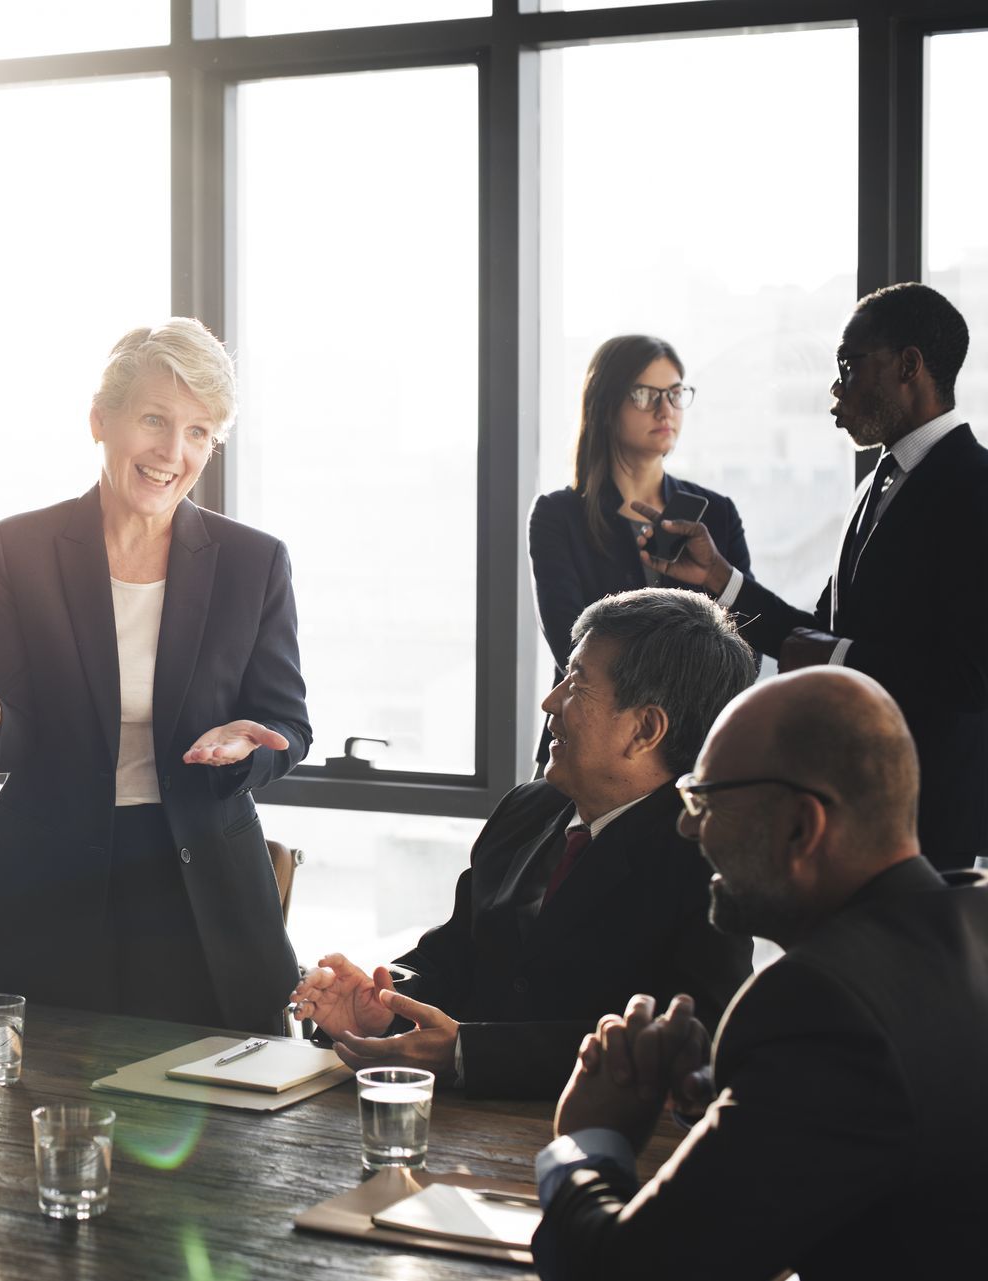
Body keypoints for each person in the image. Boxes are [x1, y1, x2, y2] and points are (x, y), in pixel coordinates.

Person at [0, 319, 309, 1033]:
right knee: (32, 1120)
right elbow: (15, 738)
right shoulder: (17, 549)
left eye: (199, 432)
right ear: (100, 418)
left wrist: (247, 748)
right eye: (154, 419)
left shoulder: (253, 562)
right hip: (51, 882)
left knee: (224, 1132)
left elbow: (288, 725)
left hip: (200, 893)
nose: (172, 452)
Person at [532, 667, 988, 1280]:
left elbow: (625, 1273)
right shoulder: (971, 916)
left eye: (707, 801)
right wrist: (727, 1092)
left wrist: (587, 1139)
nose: (686, 826)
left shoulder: (822, 1005)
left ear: (802, 826)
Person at [291, 589, 754, 1097]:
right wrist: (382, 1002)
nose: (550, 701)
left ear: (644, 729)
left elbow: (695, 1038)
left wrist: (470, 1054)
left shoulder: (706, 854)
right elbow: (458, 953)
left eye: (576, 684)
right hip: (460, 1131)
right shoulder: (528, 809)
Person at [643, 282, 987, 868]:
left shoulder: (976, 489)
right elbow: (817, 637)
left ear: (909, 366)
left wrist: (839, 661)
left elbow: (973, 676)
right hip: (852, 805)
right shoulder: (875, 486)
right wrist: (722, 580)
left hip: (930, 825)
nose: (835, 390)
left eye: (850, 367)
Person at [528, 336, 749, 767]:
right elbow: (570, 639)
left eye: (674, 393)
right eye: (645, 394)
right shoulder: (560, 514)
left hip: (690, 748)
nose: (664, 409)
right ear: (606, 404)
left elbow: (740, 643)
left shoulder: (716, 513)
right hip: (586, 740)